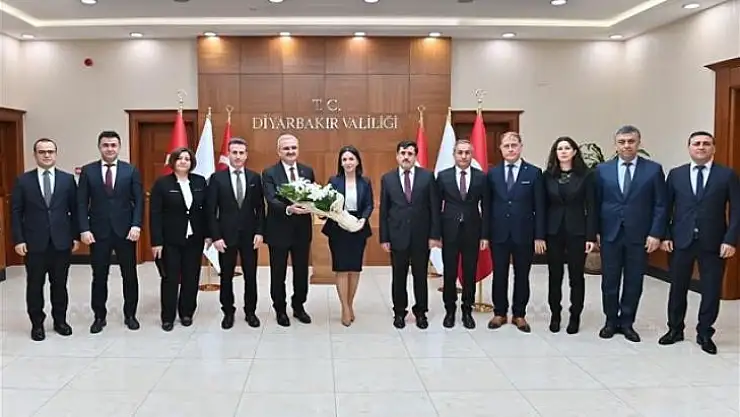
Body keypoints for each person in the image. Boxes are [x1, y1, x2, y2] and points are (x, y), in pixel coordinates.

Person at [659, 131, 740, 354]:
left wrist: (730, 240)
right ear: (689, 148)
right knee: (677, 287)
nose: (701, 147)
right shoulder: (676, 174)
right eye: (696, 143)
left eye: (706, 143)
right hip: (680, 241)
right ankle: (675, 329)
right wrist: (665, 235)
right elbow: (665, 208)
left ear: (713, 148)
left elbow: (736, 210)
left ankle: (705, 333)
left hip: (714, 242)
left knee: (711, 289)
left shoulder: (727, 175)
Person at [594, 125, 666, 343]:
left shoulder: (653, 170)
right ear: (615, 145)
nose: (626, 145)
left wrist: (655, 233)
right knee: (610, 280)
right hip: (610, 234)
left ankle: (627, 322)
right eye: (622, 142)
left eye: (631, 141)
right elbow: (595, 203)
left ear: (639, 143)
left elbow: (661, 205)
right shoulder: (602, 170)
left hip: (640, 236)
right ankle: (610, 321)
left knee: (634, 281)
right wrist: (595, 232)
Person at [11, 138, 79, 341]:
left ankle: (60, 321)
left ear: (56, 154)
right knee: (35, 286)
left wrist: (75, 236)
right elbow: (16, 212)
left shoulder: (67, 180)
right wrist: (18, 239)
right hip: (34, 244)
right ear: (35, 155)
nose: (47, 155)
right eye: (42, 152)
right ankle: (37, 324)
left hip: (61, 242)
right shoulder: (23, 181)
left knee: (60, 285)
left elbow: (75, 210)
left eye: (50, 151)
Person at [77, 130, 144, 333]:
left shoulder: (130, 170)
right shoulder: (88, 171)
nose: (109, 149)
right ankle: (99, 316)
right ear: (100, 147)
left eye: (113, 145)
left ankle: (130, 314)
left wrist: (136, 225)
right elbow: (81, 203)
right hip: (98, 232)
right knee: (99, 276)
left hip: (126, 231)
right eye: (105, 145)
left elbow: (139, 200)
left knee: (129, 275)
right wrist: (84, 229)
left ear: (119, 147)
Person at [486, 131, 546, 333]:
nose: (510, 149)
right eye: (506, 145)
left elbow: (540, 207)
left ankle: (519, 314)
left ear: (521, 147)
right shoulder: (492, 174)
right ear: (501, 149)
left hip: (524, 233)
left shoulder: (534, 173)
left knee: (522, 275)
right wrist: (485, 234)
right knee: (499, 274)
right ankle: (500, 313)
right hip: (499, 233)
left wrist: (539, 235)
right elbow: (487, 206)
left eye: (514, 145)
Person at [379, 140, 441, 329]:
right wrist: (384, 237)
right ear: (397, 156)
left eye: (410, 153)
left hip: (421, 237)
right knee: (398, 277)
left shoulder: (427, 177)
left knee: (420, 276)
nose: (406, 157)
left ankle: (421, 312)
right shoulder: (387, 178)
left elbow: (434, 208)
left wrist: (434, 236)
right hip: (397, 236)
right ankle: (399, 312)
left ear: (415, 156)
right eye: (403, 153)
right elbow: (384, 210)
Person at [207, 138, 265, 329]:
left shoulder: (254, 178)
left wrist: (260, 232)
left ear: (246, 155)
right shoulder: (217, 178)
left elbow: (260, 208)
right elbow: (211, 211)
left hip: (250, 236)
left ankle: (250, 312)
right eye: (234, 152)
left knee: (250, 275)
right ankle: (228, 312)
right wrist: (216, 236)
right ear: (228, 154)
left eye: (241, 153)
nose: (238, 156)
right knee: (226, 276)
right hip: (225, 237)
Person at [149, 147, 209, 331]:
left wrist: (208, 234)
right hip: (170, 240)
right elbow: (155, 214)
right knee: (170, 278)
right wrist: (156, 241)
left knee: (191, 277)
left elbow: (206, 210)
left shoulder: (199, 181)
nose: (183, 161)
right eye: (180, 158)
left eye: (187, 159)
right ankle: (168, 317)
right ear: (173, 161)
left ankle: (186, 313)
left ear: (192, 163)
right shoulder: (162, 184)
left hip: (194, 239)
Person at [543, 136, 597, 334]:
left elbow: (592, 207)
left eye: (567, 148)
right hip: (553, 231)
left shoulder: (587, 176)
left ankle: (575, 316)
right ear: (555, 153)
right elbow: (542, 206)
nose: (563, 151)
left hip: (578, 231)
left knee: (576, 276)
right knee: (554, 275)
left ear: (574, 152)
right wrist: (540, 235)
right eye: (560, 148)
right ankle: (555, 315)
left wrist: (591, 236)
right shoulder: (547, 176)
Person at [262, 133, 315, 327]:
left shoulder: (307, 171)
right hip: (278, 230)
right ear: (279, 151)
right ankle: (280, 309)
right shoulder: (269, 173)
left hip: (302, 230)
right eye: (286, 148)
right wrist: (289, 209)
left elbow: (312, 195)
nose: (290, 151)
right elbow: (271, 199)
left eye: (293, 148)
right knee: (278, 273)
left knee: (301, 272)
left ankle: (299, 306)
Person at [436, 139, 489, 329]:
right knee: (449, 272)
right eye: (460, 152)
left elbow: (486, 207)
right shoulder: (443, 176)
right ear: (454, 154)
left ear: (472, 154)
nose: (464, 156)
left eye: (467, 152)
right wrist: (436, 234)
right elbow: (436, 207)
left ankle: (467, 310)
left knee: (469, 272)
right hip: (449, 231)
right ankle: (449, 310)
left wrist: (485, 235)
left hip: (472, 231)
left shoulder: (481, 177)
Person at [322, 146, 374, 326]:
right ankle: (344, 307)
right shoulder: (333, 181)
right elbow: (326, 203)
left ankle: (350, 304)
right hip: (338, 229)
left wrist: (363, 219)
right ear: (341, 163)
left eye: (351, 159)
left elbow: (369, 204)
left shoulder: (365, 182)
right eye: (344, 159)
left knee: (354, 269)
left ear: (357, 161)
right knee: (342, 269)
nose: (348, 162)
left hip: (358, 227)